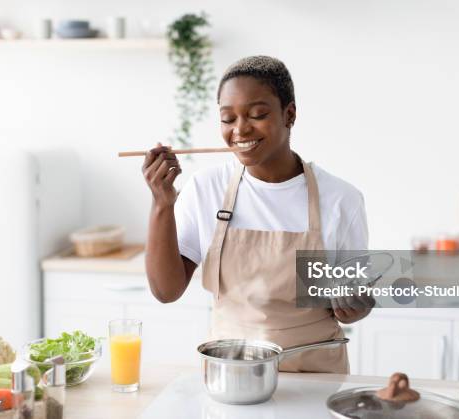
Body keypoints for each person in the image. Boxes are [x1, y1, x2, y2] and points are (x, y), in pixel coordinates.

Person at [142, 55, 373, 373]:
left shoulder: (341, 199)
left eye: (258, 114)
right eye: (228, 118)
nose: (240, 129)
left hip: (315, 376)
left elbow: (357, 299)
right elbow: (165, 291)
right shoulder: (206, 188)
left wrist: (353, 307)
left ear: (289, 114)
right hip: (232, 374)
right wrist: (161, 204)